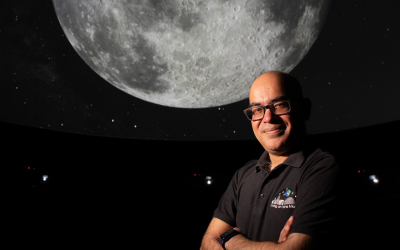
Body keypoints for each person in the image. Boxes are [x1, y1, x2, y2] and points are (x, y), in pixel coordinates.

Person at [200, 71, 342, 250]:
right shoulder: (244, 174)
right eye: (257, 110)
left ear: (305, 109)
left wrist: (230, 239)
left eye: (280, 105)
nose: (268, 118)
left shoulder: (323, 169)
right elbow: (207, 243)